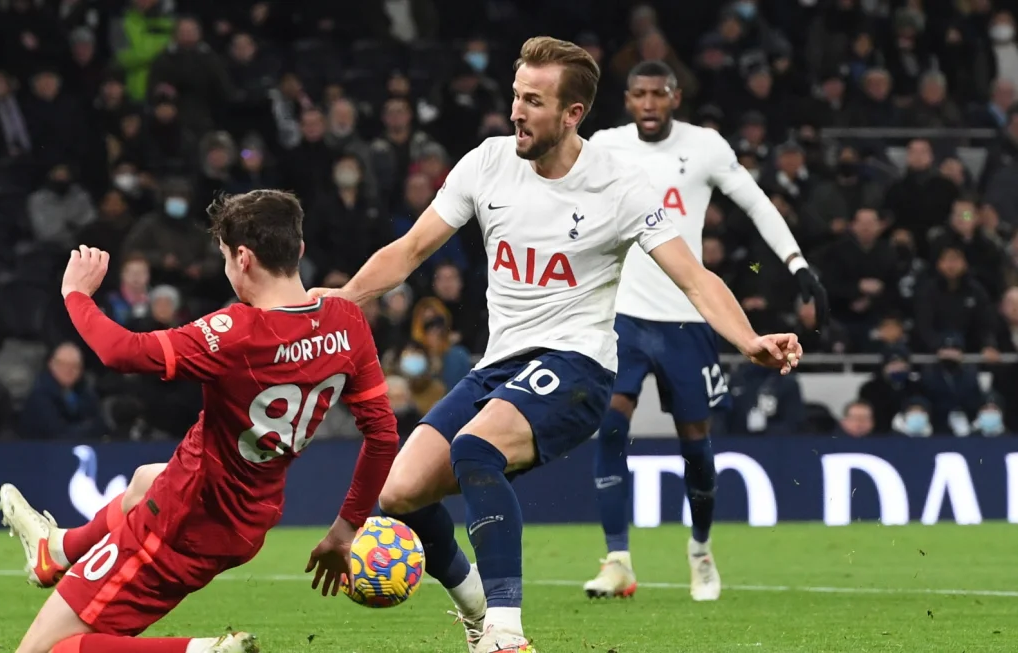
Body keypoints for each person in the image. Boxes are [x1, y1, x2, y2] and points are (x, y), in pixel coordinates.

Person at [307, 37, 803, 653]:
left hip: (579, 365)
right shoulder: (486, 163)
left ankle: (507, 634)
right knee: (401, 492)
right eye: (516, 95)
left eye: (533, 101)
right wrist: (346, 300)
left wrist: (748, 338)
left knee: (475, 448)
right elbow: (410, 251)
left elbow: (695, 278)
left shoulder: (621, 186)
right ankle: (476, 609)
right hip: (500, 365)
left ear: (573, 115)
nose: (516, 110)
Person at [0, 189, 398, 653]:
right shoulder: (346, 320)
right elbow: (383, 435)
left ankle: (201, 651)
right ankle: (58, 552)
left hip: (180, 521)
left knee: (44, 651)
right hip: (248, 519)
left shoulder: (238, 332)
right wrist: (345, 528)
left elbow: (123, 351)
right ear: (299, 249)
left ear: (243, 258)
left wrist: (76, 295)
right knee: (147, 478)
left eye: (226, 256)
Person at [584, 60, 829, 602]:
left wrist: (796, 265)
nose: (649, 103)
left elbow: (756, 202)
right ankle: (617, 559)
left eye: (659, 94)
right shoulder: (603, 147)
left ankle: (699, 549)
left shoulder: (707, 147)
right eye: (639, 94)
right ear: (628, 100)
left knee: (695, 443)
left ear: (676, 96)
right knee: (609, 425)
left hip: (689, 318)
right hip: (622, 314)